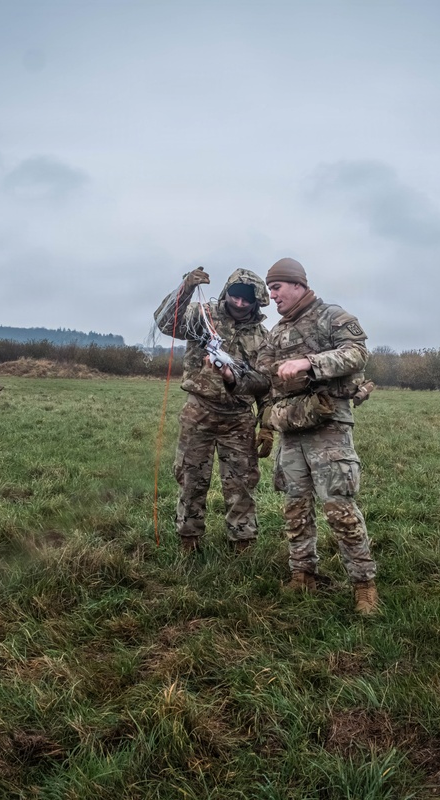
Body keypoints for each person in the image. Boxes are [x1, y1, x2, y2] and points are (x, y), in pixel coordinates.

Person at [257, 257, 378, 614]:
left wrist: (309, 363)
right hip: (292, 428)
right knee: (295, 507)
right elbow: (265, 367)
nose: (273, 295)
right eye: (270, 289)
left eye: (276, 287)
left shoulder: (333, 316)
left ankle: (363, 585)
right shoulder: (278, 331)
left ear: (297, 284)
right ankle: (302, 574)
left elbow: (356, 353)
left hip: (329, 427)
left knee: (339, 507)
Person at [154, 267, 271, 552]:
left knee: (242, 484)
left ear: (257, 301)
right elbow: (166, 324)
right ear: (226, 293)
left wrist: (266, 424)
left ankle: (242, 542)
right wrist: (185, 289)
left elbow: (267, 383)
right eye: (235, 297)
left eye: (247, 300)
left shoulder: (264, 337)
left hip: (239, 418)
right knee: (191, 477)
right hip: (199, 412)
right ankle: (189, 540)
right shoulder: (202, 315)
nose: (240, 304)